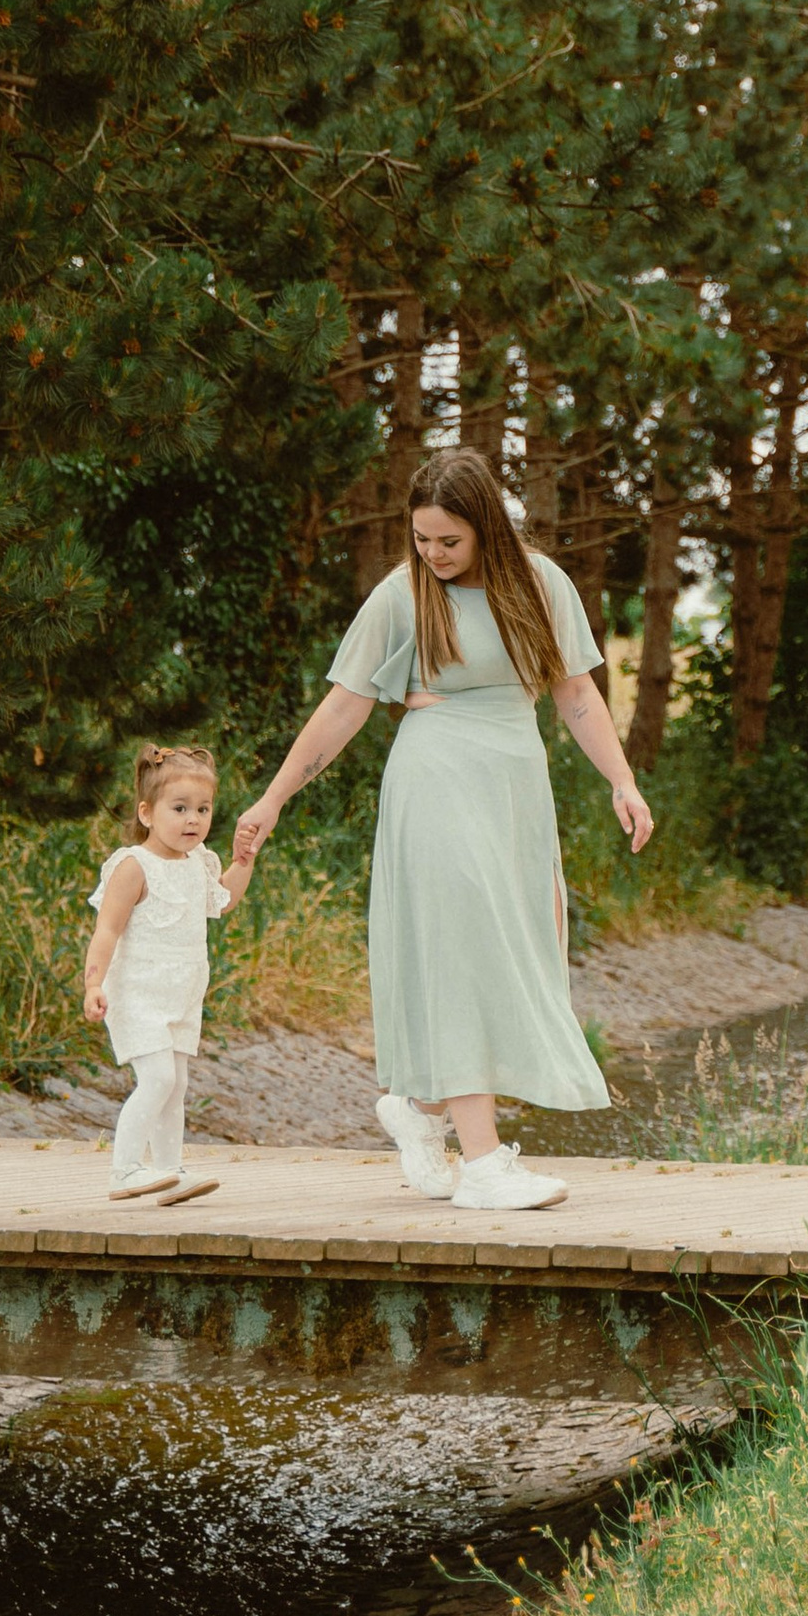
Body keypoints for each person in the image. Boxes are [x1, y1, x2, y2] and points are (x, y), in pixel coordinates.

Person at [233, 445, 653, 1214]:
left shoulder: (542, 583)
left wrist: (621, 781)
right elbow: (344, 705)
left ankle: (421, 1110)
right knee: (464, 948)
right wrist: (273, 798)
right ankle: (484, 1162)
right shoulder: (403, 593)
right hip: (435, 780)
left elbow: (578, 695)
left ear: (487, 526)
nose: (434, 555)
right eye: (422, 540)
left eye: (448, 541)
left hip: (515, 788)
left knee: (519, 949)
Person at [85, 742, 255, 1201]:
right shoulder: (133, 867)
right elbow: (106, 931)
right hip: (139, 994)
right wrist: (93, 982)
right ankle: (124, 1171)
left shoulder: (199, 862)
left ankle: (168, 1171)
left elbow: (224, 901)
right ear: (146, 812)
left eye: (202, 809)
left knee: (176, 1085)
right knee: (157, 1079)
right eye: (179, 808)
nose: (193, 820)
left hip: (181, 995)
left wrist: (243, 862)